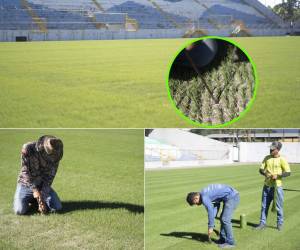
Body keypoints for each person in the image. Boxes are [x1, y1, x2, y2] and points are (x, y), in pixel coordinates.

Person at [13, 135, 64, 215]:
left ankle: (34, 201)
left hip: (42, 185)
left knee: (57, 207)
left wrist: (42, 198)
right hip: (25, 184)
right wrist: (35, 191)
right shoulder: (28, 148)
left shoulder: (56, 154)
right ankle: (31, 200)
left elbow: (50, 177)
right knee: (19, 210)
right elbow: (26, 172)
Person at [186, 184, 240, 248]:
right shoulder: (204, 194)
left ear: (196, 198)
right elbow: (217, 203)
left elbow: (210, 211)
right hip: (229, 197)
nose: (197, 205)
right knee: (222, 218)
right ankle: (222, 240)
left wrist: (210, 226)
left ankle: (231, 242)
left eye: (196, 203)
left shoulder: (204, 197)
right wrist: (212, 220)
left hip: (232, 197)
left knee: (225, 219)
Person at [255, 141, 291, 231]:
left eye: (273, 149)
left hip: (277, 187)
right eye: (270, 148)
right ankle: (262, 223)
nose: (270, 149)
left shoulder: (282, 159)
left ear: (278, 149)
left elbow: (288, 172)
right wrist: (265, 173)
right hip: (266, 187)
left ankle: (279, 224)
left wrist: (278, 175)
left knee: (279, 206)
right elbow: (261, 169)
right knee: (264, 206)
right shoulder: (267, 158)